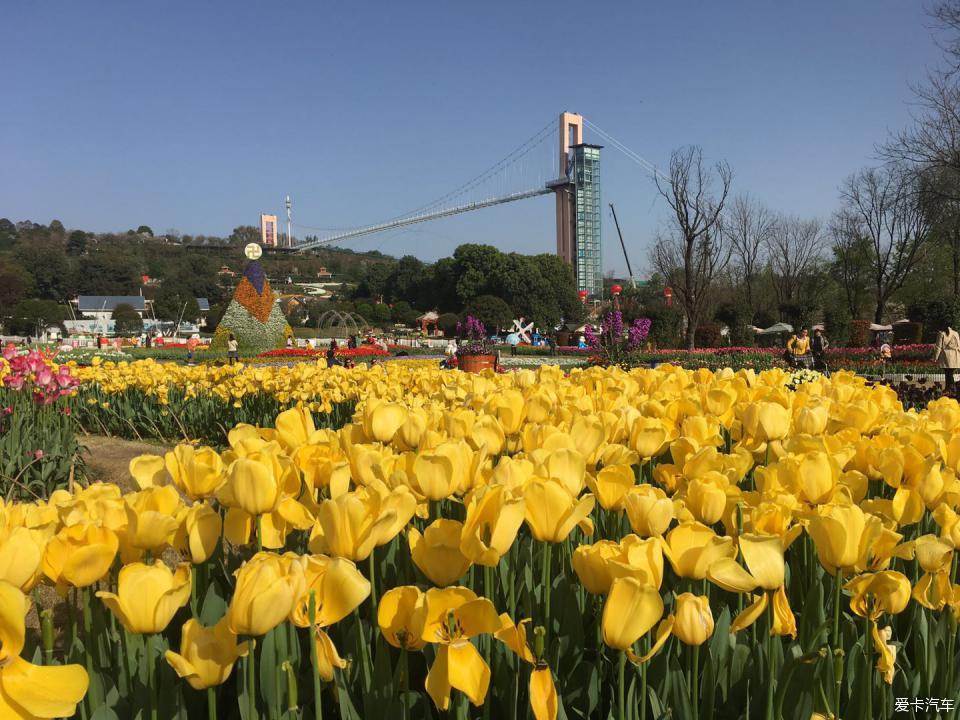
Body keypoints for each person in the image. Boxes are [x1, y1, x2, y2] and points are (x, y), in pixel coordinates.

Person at [934, 323, 960, 392]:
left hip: (946, 356)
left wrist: (935, 358)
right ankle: (949, 388)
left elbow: (938, 347)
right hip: (955, 356)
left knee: (948, 374)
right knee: (950, 373)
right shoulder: (955, 333)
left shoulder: (941, 334)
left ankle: (950, 388)